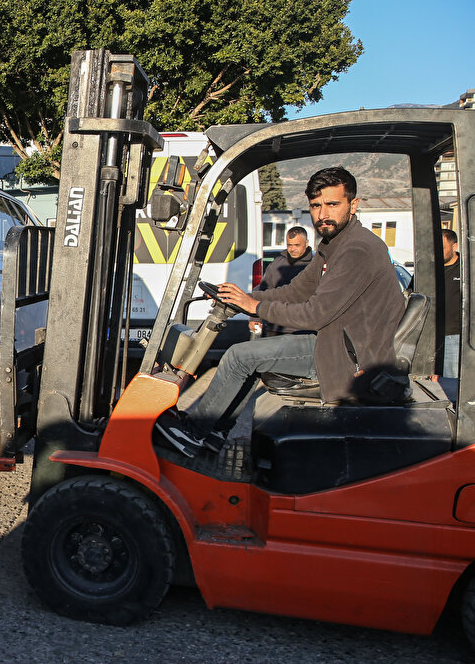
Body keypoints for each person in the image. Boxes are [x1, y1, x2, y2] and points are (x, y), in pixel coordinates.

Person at [156, 167, 407, 458]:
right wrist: (243, 298)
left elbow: (315, 314)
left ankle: (195, 432)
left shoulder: (357, 249)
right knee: (247, 358)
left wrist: (255, 307)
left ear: (353, 205)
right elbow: (296, 291)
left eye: (332, 204)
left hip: (352, 358)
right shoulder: (333, 244)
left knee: (240, 355)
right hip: (337, 341)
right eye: (316, 206)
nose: (322, 214)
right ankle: (214, 433)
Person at [251, 226, 314, 336]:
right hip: (274, 327)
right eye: (289, 245)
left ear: (306, 243)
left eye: (297, 245)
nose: (292, 249)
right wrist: (255, 316)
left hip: (303, 329)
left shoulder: (314, 265)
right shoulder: (276, 264)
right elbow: (263, 290)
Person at [441, 227, 461, 377]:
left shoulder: (465, 270)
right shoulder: (429, 270)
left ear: (454, 247)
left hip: (453, 336)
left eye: (442, 248)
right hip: (429, 336)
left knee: (450, 379)